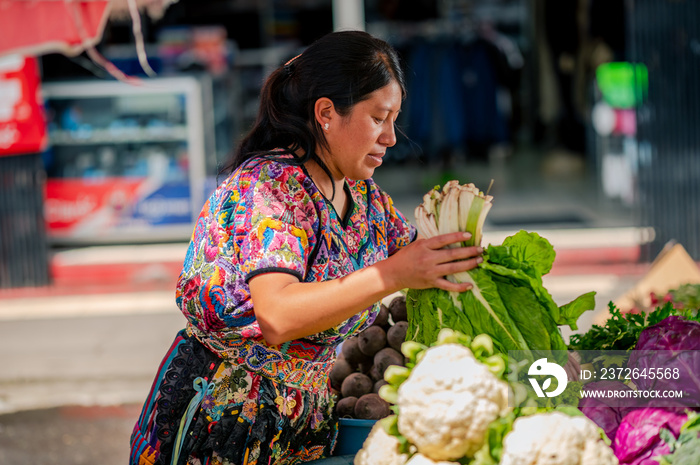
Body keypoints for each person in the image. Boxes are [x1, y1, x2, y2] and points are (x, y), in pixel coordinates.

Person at [129, 30, 483, 465]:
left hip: (305, 428)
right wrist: (392, 275)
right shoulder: (270, 188)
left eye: (395, 119)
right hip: (222, 423)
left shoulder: (363, 197)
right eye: (378, 118)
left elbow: (427, 261)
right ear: (327, 113)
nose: (391, 137)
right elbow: (277, 315)